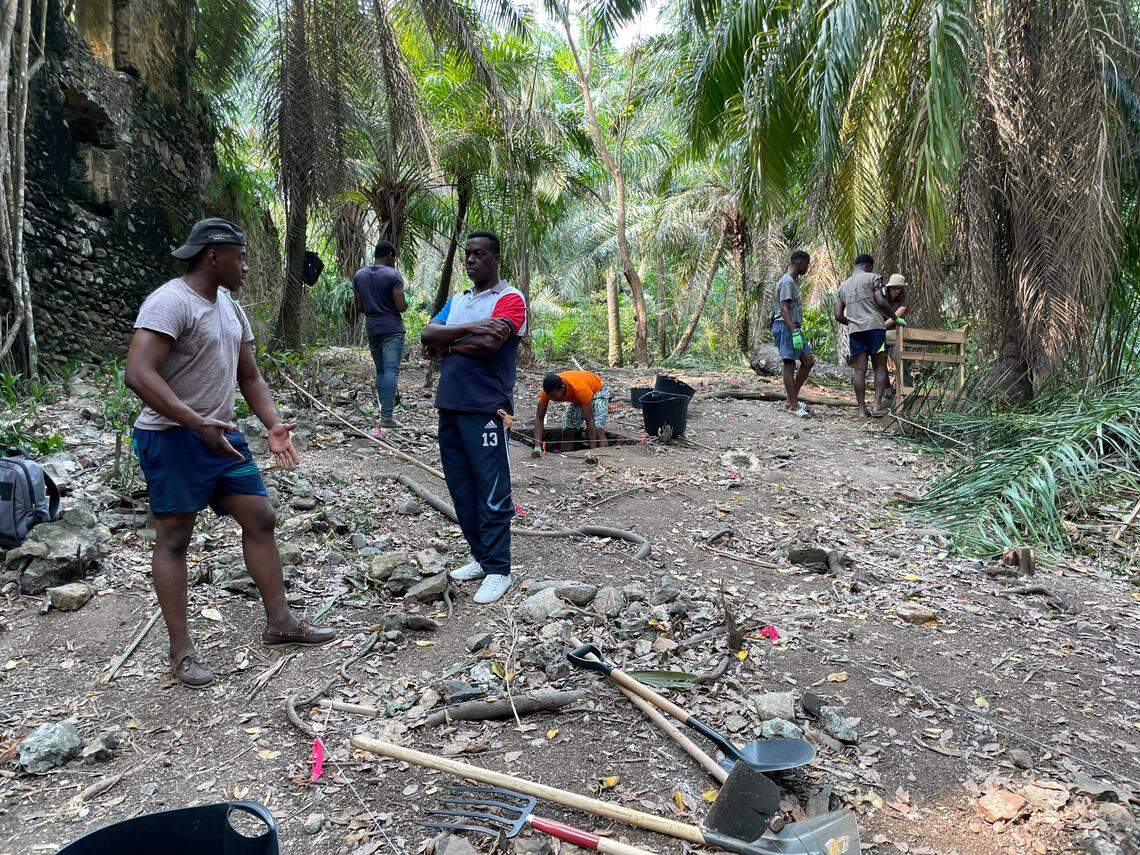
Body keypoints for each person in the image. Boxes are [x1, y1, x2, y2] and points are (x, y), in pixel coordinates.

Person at [124, 218, 334, 688]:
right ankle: (181, 654)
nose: (246, 266)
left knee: (260, 518)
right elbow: (138, 373)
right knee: (175, 537)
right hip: (174, 438)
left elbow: (250, 376)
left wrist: (273, 424)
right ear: (213, 255)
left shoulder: (229, 308)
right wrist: (194, 421)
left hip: (221, 434)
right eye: (240, 256)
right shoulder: (170, 302)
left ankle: (280, 622)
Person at [421, 231, 527, 605]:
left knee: (492, 487)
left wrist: (447, 344)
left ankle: (499, 568)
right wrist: (466, 332)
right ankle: (481, 558)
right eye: (467, 254)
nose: (470, 260)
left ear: (496, 258)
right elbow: (427, 334)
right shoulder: (459, 301)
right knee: (461, 488)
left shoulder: (510, 299)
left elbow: (490, 343)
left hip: (486, 407)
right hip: (449, 404)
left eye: (479, 254)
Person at [352, 241, 407, 431]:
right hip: (392, 327)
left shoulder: (359, 275)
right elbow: (400, 306)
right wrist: (403, 303)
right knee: (391, 371)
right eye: (394, 258)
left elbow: (359, 307)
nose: (394, 262)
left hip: (372, 327)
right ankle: (387, 417)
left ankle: (385, 414)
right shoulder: (393, 275)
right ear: (390, 255)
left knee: (381, 371)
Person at [835, 253, 888, 417]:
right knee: (880, 366)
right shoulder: (874, 278)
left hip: (856, 331)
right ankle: (877, 406)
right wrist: (894, 317)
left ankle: (861, 409)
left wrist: (853, 322)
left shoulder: (843, 287)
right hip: (876, 328)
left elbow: (837, 315)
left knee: (859, 370)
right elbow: (880, 301)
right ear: (869, 265)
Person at [770, 250, 814, 417]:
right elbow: (783, 309)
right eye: (806, 264)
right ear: (799, 262)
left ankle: (791, 399)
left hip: (793, 327)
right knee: (789, 364)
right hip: (786, 326)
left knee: (808, 361)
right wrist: (794, 332)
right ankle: (794, 406)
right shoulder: (787, 281)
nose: (807, 268)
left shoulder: (792, 282)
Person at [533, 370, 610, 454]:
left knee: (598, 428)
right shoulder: (546, 392)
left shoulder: (579, 388)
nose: (553, 399)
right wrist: (537, 446)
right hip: (577, 398)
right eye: (550, 397)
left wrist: (592, 452)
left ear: (562, 387)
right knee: (568, 430)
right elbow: (539, 417)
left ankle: (603, 456)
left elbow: (589, 420)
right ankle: (565, 458)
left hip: (598, 391)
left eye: (555, 396)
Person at [876, 273, 910, 398]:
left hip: (894, 329)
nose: (896, 291)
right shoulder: (880, 293)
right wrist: (878, 327)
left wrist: (884, 326)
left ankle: (907, 386)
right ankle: (885, 387)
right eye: (894, 288)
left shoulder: (903, 297)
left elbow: (898, 314)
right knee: (879, 358)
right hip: (878, 327)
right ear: (889, 287)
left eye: (899, 288)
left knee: (899, 355)